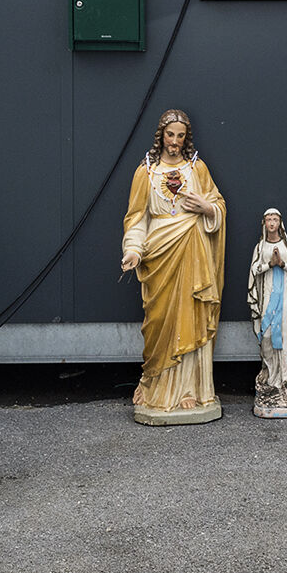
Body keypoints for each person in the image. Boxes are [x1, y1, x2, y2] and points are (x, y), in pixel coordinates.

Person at [120, 109, 226, 424]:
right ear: (161, 136)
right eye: (170, 135)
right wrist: (133, 250)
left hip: (194, 255)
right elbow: (137, 218)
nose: (175, 142)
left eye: (180, 136)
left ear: (186, 138)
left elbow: (217, 205)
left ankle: (191, 391)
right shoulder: (146, 173)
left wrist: (207, 208)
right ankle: (157, 389)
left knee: (192, 317)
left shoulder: (198, 169)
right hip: (159, 260)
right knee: (161, 322)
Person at [247, 207, 287, 417]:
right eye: (268, 220)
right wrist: (268, 264)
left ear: (280, 223)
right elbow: (253, 272)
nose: (271, 223)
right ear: (264, 223)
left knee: (285, 336)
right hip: (268, 298)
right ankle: (270, 379)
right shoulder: (260, 247)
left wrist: (282, 264)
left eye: (274, 219)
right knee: (266, 336)